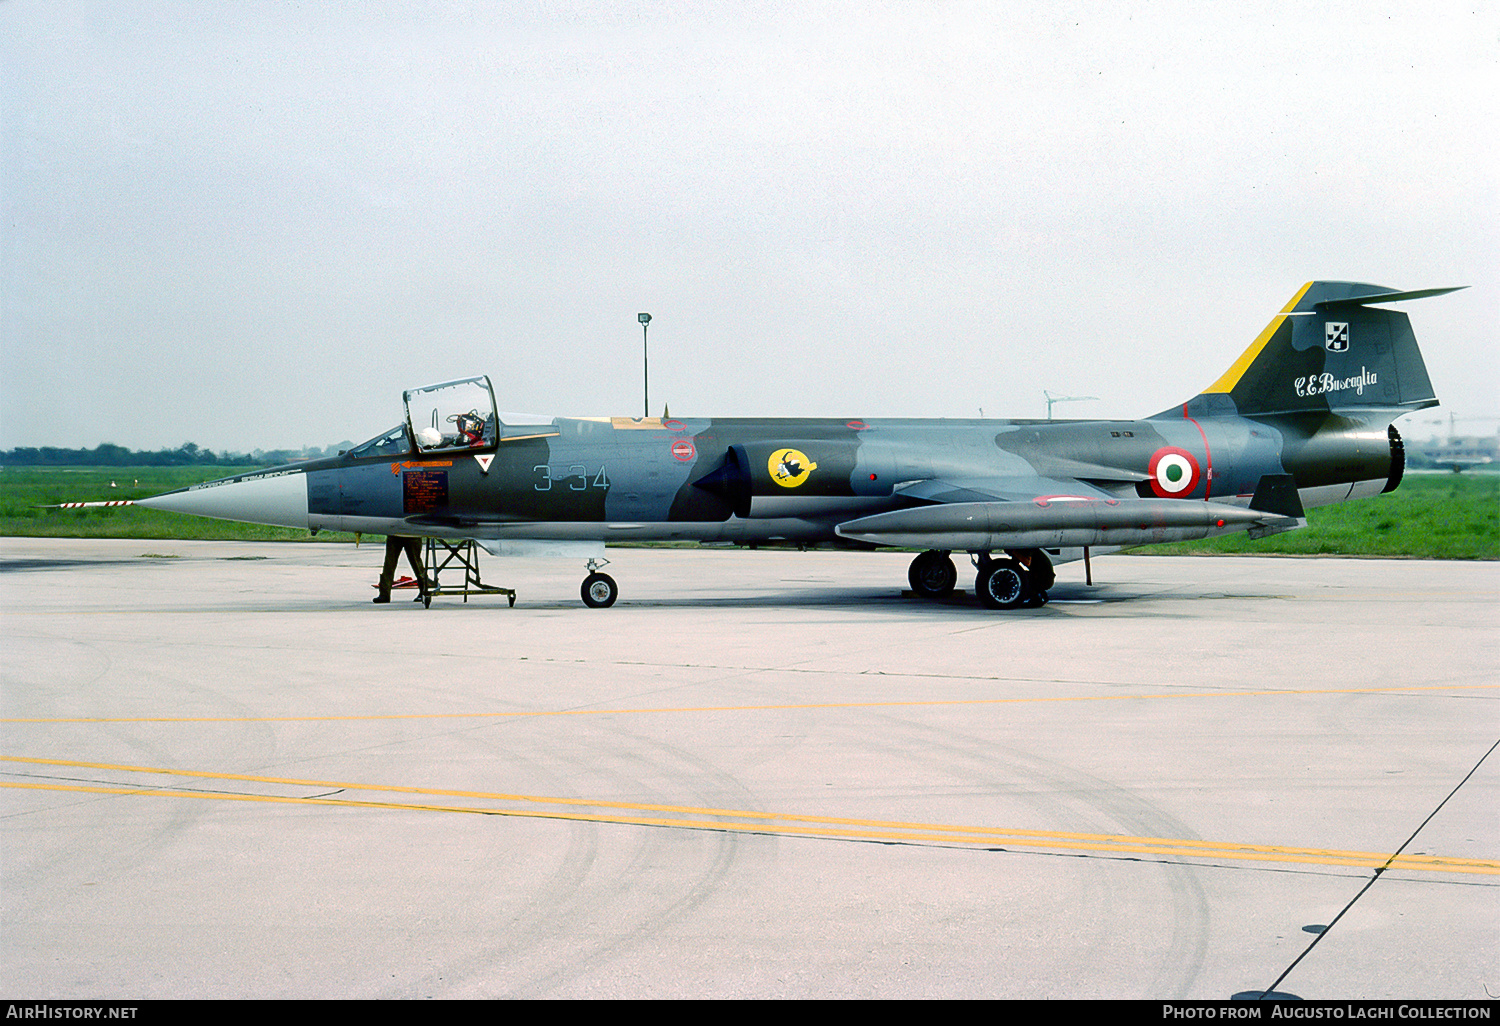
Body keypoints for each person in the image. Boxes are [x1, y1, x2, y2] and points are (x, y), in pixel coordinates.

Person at [374, 536, 429, 603]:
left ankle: (424, 591)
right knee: (389, 565)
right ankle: (384, 594)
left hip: (411, 535)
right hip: (397, 535)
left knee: (416, 564)